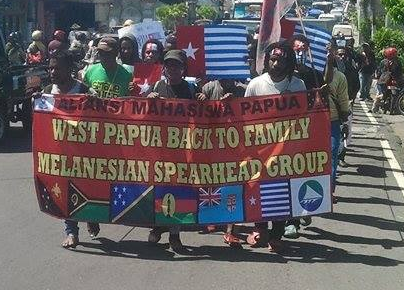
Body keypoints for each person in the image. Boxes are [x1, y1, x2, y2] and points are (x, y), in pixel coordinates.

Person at [244, 41, 306, 252]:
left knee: (281, 191)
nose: (276, 63)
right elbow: (244, 116)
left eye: (281, 59)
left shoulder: (298, 85)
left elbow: (306, 119)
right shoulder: (255, 84)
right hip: (259, 150)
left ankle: (277, 233)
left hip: (286, 151)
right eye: (273, 59)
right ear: (267, 60)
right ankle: (260, 229)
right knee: (258, 190)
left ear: (289, 62)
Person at [39, 50, 97, 248]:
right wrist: (36, 102)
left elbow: (102, 115)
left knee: (87, 188)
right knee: (65, 190)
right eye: (51, 67)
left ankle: (91, 217)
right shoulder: (47, 91)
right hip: (60, 154)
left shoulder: (84, 90)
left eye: (57, 68)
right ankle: (71, 231)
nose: (53, 71)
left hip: (84, 152)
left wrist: (94, 103)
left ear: (69, 70)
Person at [147, 50, 199, 251]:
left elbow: (203, 114)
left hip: (183, 149)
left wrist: (200, 100)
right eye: (169, 65)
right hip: (161, 148)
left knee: (179, 190)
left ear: (183, 69)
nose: (172, 69)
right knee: (158, 187)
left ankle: (175, 234)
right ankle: (157, 226)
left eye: (176, 66)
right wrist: (148, 100)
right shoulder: (157, 87)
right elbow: (142, 115)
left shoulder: (191, 89)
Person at [325, 43, 350, 203]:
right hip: (309, 125)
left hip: (333, 122)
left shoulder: (340, 77)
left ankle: (329, 191)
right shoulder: (306, 75)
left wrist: (345, 123)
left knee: (331, 158)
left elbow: (343, 101)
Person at [371, 47, 404, 113]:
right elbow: (399, 72)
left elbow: (379, 71)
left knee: (381, 95)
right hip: (391, 81)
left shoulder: (384, 61)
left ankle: (374, 109)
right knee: (383, 95)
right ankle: (375, 108)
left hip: (385, 81)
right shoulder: (397, 62)